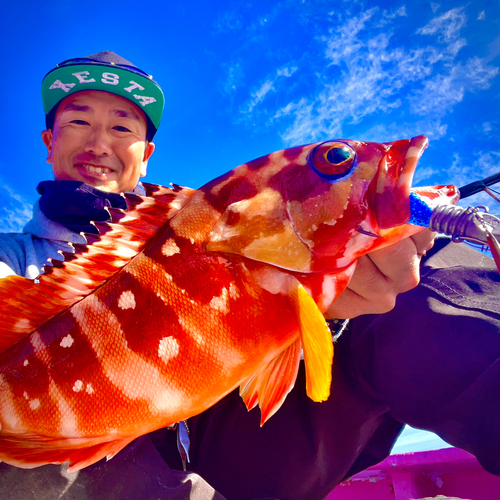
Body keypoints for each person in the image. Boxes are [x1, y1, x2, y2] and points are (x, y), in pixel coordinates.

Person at [0, 51, 498, 500]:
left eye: (122, 128)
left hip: (244, 450)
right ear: (48, 141)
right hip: (111, 458)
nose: (99, 142)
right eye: (79, 121)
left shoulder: (200, 219)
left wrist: (332, 311)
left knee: (433, 270)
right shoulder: (9, 255)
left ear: (145, 153)